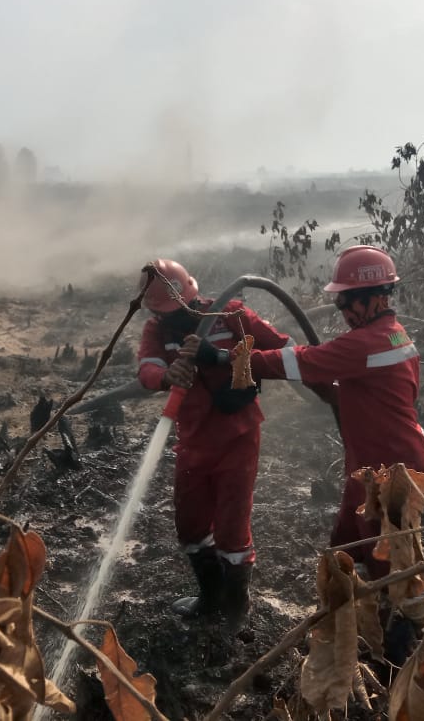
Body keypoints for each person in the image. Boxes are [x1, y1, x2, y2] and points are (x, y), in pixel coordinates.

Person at [188, 245, 424, 581]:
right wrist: (325, 387)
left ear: (367, 297)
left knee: (388, 562)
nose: (341, 309)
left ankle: (401, 625)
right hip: (372, 463)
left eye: (343, 301)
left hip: (389, 468)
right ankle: (352, 612)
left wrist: (222, 358)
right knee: (347, 548)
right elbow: (361, 392)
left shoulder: (364, 344)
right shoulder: (393, 335)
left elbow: (296, 360)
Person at [136, 258, 292, 629]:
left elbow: (286, 353)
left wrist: (222, 357)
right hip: (191, 440)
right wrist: (165, 375)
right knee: (189, 527)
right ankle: (211, 596)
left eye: (179, 310)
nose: (174, 318)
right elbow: (146, 368)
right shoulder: (157, 330)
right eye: (166, 312)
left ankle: (237, 609)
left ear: (193, 294)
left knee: (231, 529)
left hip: (237, 437)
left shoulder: (231, 315)